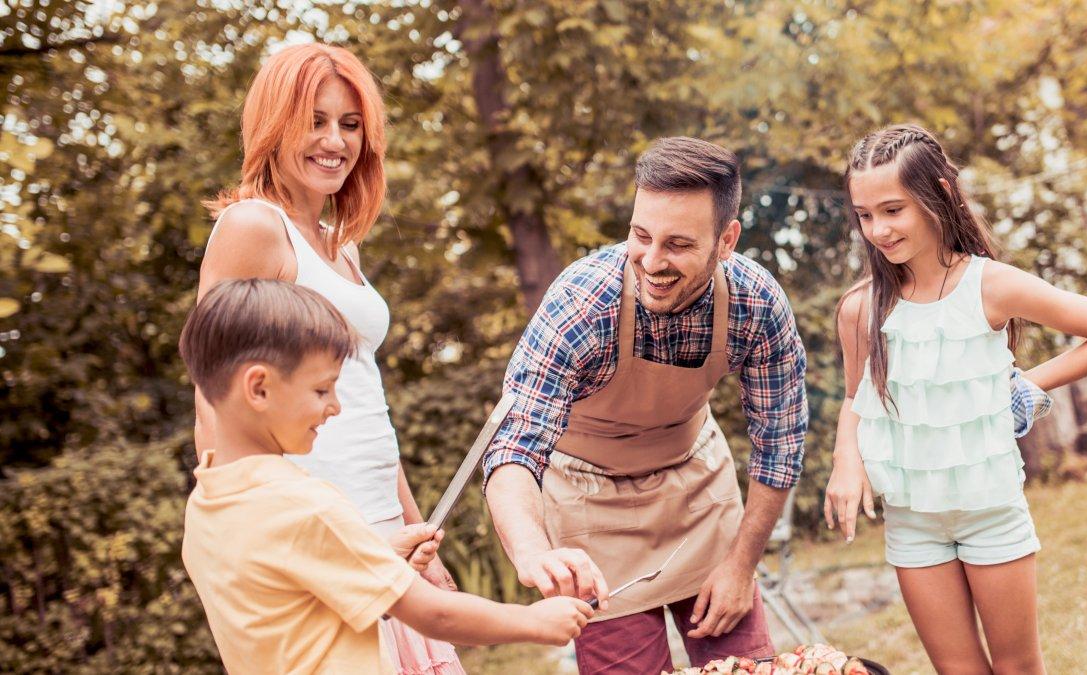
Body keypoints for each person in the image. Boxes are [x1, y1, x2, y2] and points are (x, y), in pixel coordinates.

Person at [823, 124, 1087, 674]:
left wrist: (1025, 384)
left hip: (990, 509)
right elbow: (858, 398)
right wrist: (845, 463)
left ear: (940, 193)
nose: (878, 229)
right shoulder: (860, 308)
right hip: (913, 518)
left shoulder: (990, 286)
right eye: (865, 215)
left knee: (1017, 668)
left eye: (893, 209)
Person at [483, 137, 806, 673]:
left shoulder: (757, 303)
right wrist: (533, 552)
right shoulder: (581, 305)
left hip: (696, 492)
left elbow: (780, 444)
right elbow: (514, 446)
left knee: (748, 667)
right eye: (640, 235)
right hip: (592, 504)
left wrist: (741, 564)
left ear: (726, 240)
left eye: (677, 244)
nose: (651, 262)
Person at [195, 43, 460, 672]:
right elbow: (213, 393)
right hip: (318, 529)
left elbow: (366, 399)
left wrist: (416, 525)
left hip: (382, 518)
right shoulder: (253, 228)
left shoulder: (341, 247)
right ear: (274, 124)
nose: (333, 141)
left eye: (349, 123)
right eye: (313, 120)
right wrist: (240, 537)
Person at [179, 279, 593, 674]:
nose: (336, 407)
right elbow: (436, 613)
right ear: (259, 388)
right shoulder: (306, 505)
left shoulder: (208, 506)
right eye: (322, 390)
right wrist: (533, 621)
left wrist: (379, 558)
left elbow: (289, 597)